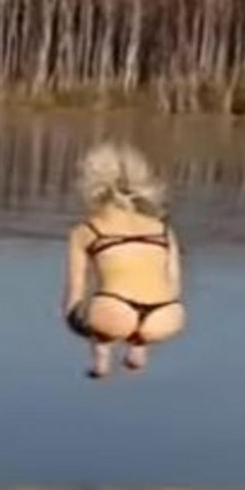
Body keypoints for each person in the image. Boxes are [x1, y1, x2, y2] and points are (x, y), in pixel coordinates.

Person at [62, 141, 186, 378]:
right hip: (166, 316)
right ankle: (139, 346)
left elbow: (76, 288)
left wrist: (76, 320)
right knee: (145, 299)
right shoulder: (162, 229)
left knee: (88, 311)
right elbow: (173, 283)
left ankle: (101, 353)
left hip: (114, 310)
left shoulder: (86, 230)